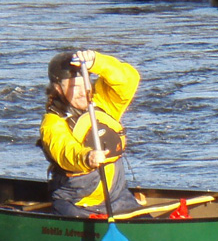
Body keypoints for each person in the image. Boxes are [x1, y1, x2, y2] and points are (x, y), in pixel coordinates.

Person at [39, 49, 143, 217]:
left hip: (116, 198)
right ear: (58, 88)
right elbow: (64, 150)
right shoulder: (53, 122)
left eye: (84, 84)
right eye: (73, 86)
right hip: (77, 202)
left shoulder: (103, 102)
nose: (82, 92)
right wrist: (87, 157)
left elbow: (128, 80)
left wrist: (97, 62)